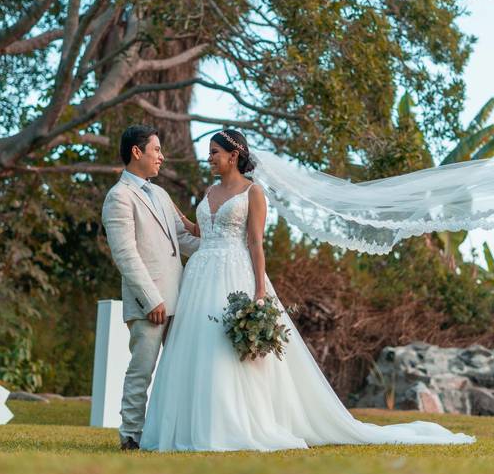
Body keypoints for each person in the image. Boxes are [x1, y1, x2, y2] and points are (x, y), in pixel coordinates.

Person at [139, 129, 474, 451]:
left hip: (234, 273)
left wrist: (259, 291)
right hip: (200, 275)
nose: (209, 158)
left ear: (234, 154)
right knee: (197, 347)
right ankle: (191, 424)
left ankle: (234, 423)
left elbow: (255, 243)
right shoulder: (209, 192)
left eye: (214, 152)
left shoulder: (253, 193)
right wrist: (175, 213)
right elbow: (202, 230)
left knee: (227, 351)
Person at [101, 125, 200, 451]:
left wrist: (223, 245)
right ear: (137, 151)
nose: (161, 156)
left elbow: (183, 240)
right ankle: (130, 436)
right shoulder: (118, 197)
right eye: (156, 149)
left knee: (179, 369)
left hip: (180, 297)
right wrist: (151, 299)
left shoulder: (159, 193)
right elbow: (125, 254)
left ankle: (170, 434)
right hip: (150, 303)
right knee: (141, 370)